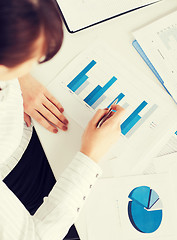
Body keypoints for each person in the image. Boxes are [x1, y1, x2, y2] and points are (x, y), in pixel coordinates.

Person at [0, 0, 124, 239]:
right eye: (33, 59)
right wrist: (90, 155)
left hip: (25, 132)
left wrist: (21, 78)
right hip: (14, 177)